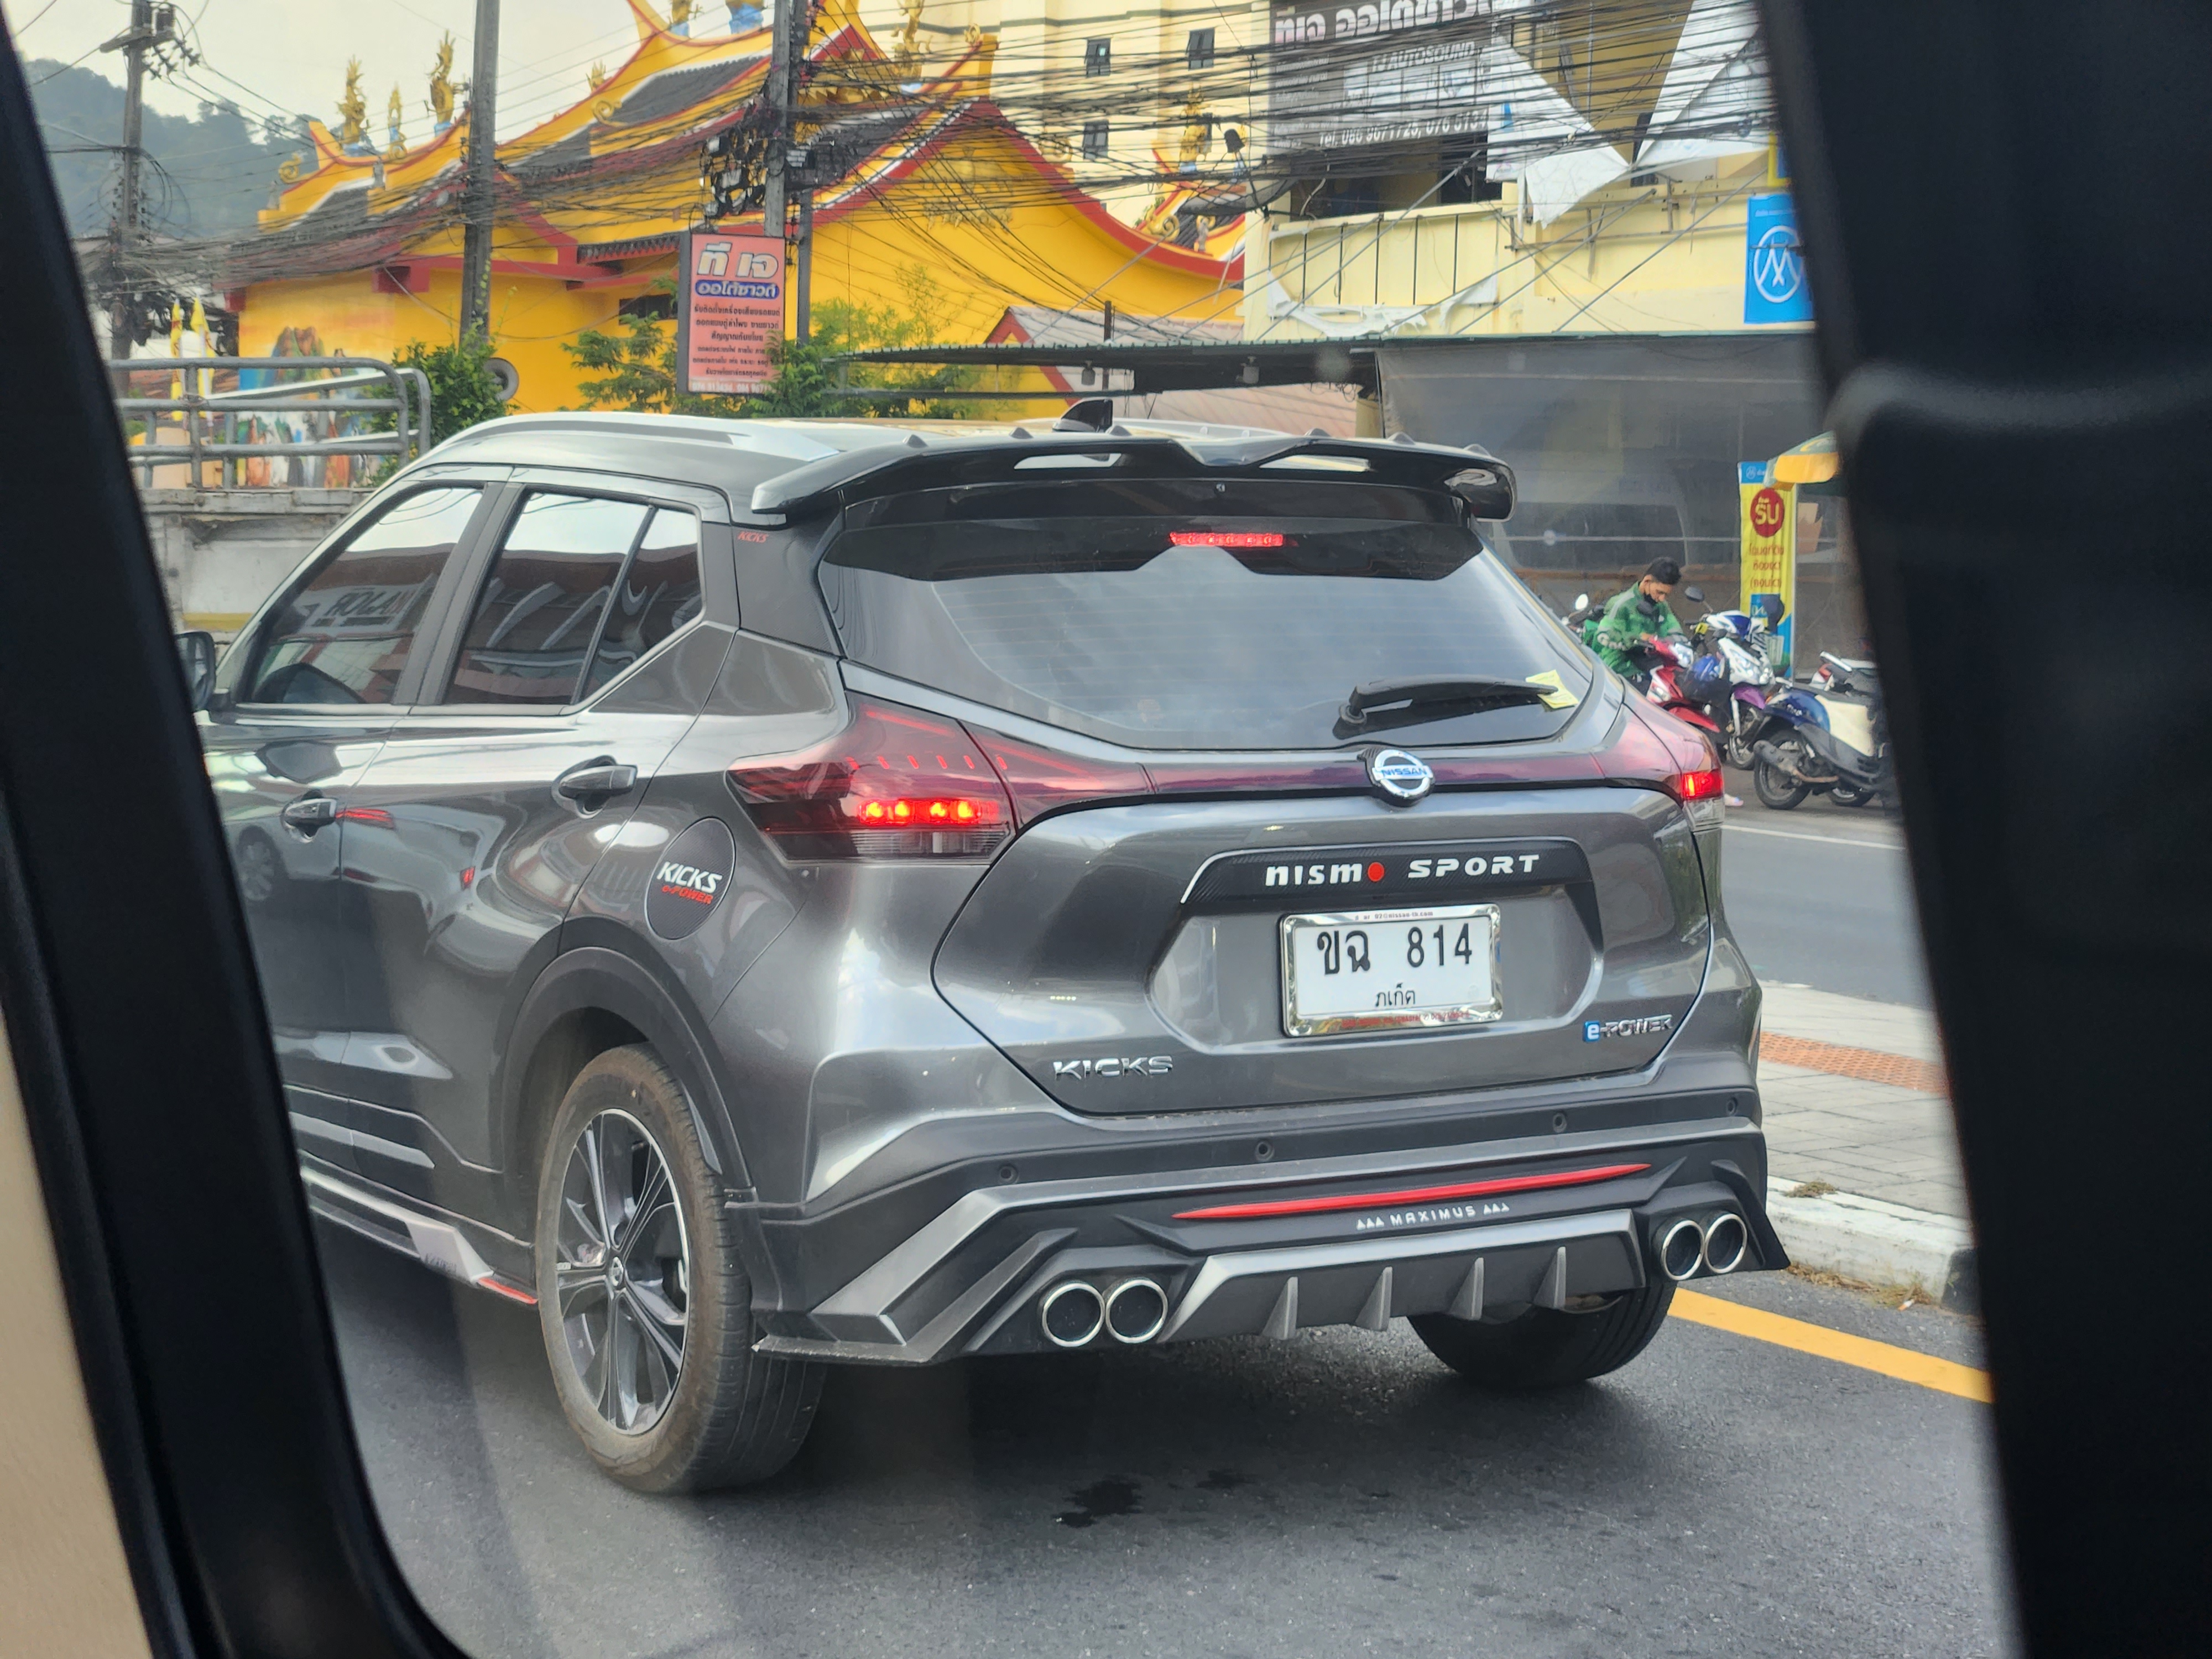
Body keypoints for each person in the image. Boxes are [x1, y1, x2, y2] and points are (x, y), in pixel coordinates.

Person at [1584, 557, 1687, 679]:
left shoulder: (1661, 606)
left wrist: (1682, 644)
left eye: (1666, 594)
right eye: (1659, 592)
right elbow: (1604, 635)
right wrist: (1637, 639)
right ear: (1647, 581)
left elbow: (1672, 626)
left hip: (1646, 668)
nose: (1662, 598)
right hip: (1616, 671)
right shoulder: (1623, 604)